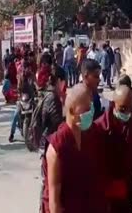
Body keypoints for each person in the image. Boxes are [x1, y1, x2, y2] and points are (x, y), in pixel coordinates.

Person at [41, 84, 106, 213]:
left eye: (91, 107)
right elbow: (54, 199)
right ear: (71, 111)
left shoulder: (89, 134)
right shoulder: (57, 145)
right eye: (87, 109)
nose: (91, 112)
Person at [95, 85, 132, 213]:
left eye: (130, 108)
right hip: (107, 197)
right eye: (122, 109)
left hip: (126, 192)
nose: (127, 113)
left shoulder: (131, 124)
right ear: (113, 104)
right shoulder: (100, 128)